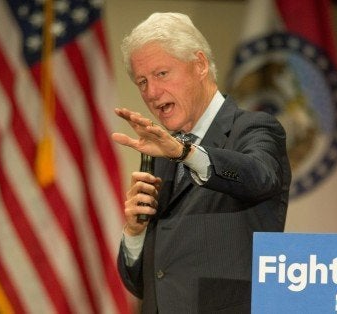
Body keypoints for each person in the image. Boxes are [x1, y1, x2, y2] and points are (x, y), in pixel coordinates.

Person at [111, 12, 291, 313]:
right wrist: (135, 232)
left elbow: (260, 176)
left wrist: (186, 152)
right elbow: (146, 283)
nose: (151, 93)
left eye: (161, 74)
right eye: (142, 81)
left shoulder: (254, 128)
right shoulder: (163, 152)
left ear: (200, 65)